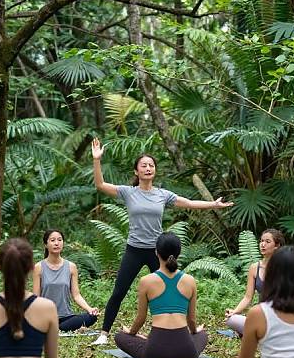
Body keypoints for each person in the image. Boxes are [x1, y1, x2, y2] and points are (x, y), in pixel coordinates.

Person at [91, 137, 233, 345]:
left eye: (151, 165)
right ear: (136, 172)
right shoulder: (128, 193)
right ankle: (103, 334)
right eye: (144, 165)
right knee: (119, 291)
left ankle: (183, 330)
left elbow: (189, 203)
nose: (148, 168)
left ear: (154, 170)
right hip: (134, 249)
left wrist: (213, 204)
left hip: (157, 252)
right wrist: (97, 160)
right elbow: (100, 184)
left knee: (173, 289)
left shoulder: (162, 195)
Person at [114, 232, 207, 358]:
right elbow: (191, 320)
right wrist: (194, 332)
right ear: (178, 254)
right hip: (186, 353)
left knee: (119, 336)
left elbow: (141, 319)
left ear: (156, 252)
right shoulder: (190, 280)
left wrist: (131, 333)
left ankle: (144, 341)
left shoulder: (146, 281)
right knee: (202, 334)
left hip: (154, 352)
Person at [33, 229, 98, 332]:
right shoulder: (39, 267)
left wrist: (89, 309)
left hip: (67, 317)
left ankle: (58, 329)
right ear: (46, 244)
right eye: (52, 240)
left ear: (63, 243)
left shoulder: (71, 267)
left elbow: (76, 295)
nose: (56, 243)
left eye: (59, 240)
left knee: (91, 317)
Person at [225, 229, 285, 336]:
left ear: (277, 246)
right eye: (261, 241)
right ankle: (256, 332)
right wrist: (235, 311)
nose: (263, 244)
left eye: (267, 241)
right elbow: (248, 297)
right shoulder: (254, 267)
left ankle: (255, 333)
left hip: (280, 318)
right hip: (260, 316)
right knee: (231, 319)